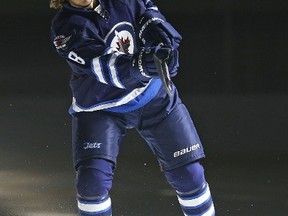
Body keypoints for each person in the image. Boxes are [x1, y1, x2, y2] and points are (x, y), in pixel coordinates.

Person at [49, 0, 215, 215]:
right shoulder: (66, 27)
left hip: (154, 97)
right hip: (102, 108)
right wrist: (140, 66)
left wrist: (161, 37)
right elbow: (101, 66)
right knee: (92, 184)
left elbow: (146, 11)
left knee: (189, 175)